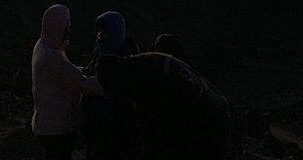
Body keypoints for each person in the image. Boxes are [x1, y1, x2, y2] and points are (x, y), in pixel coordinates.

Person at [96, 52, 241, 160]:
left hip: (211, 125)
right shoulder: (144, 63)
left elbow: (158, 133)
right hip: (217, 113)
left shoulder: (148, 82)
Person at [32, 4, 103, 160]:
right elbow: (79, 84)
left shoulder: (44, 44)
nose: (68, 30)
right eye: (66, 26)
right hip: (56, 128)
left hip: (47, 124)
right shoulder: (51, 56)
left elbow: (66, 72)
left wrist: (81, 70)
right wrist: (107, 83)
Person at [82, 11, 138, 160]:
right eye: (99, 31)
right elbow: (90, 71)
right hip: (94, 122)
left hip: (114, 123)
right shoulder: (99, 51)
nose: (100, 35)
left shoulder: (125, 57)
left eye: (104, 32)